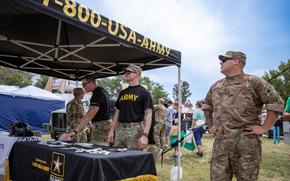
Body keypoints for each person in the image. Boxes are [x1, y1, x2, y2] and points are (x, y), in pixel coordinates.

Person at [203, 50, 284, 181]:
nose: (220, 62)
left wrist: (264, 128)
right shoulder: (216, 86)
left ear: (236, 61)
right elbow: (207, 105)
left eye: (224, 60)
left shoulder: (254, 82)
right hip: (221, 145)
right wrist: (210, 125)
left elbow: (276, 103)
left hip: (246, 145)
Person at [107, 64, 153, 150]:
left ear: (136, 74)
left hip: (135, 129)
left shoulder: (144, 92)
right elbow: (117, 113)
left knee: (133, 158)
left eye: (128, 72)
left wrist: (145, 135)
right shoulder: (122, 92)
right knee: (116, 157)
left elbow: (148, 115)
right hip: (120, 128)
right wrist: (112, 130)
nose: (125, 74)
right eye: (125, 72)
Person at [65, 76, 111, 146]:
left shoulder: (97, 94)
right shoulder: (101, 91)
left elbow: (90, 114)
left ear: (92, 82)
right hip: (102, 125)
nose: (83, 87)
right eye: (82, 85)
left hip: (101, 126)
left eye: (84, 84)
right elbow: (87, 114)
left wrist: (75, 131)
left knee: (97, 149)